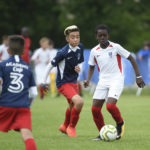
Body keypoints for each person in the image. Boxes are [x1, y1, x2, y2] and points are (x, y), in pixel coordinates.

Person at [84, 24, 145, 140]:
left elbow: (131, 58)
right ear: (96, 37)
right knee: (95, 110)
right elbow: (91, 66)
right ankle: (102, 133)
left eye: (104, 35)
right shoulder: (94, 51)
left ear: (108, 35)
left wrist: (138, 76)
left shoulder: (115, 47)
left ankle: (120, 123)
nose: (102, 37)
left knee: (110, 106)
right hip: (102, 81)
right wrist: (88, 79)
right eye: (100, 35)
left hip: (116, 79)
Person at [42, 25, 84, 137]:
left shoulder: (80, 47)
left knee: (72, 106)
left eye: (78, 37)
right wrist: (43, 81)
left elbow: (79, 62)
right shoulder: (62, 52)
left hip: (74, 82)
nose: (76, 39)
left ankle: (64, 126)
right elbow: (49, 66)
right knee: (79, 102)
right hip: (63, 83)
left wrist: (79, 68)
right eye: (73, 37)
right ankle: (71, 127)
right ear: (67, 39)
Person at [0, 35, 38, 150]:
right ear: (24, 51)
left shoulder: (2, 65)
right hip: (23, 107)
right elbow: (34, 93)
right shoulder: (27, 68)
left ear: (8, 50)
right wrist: (27, 106)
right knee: (27, 135)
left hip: (5, 105)